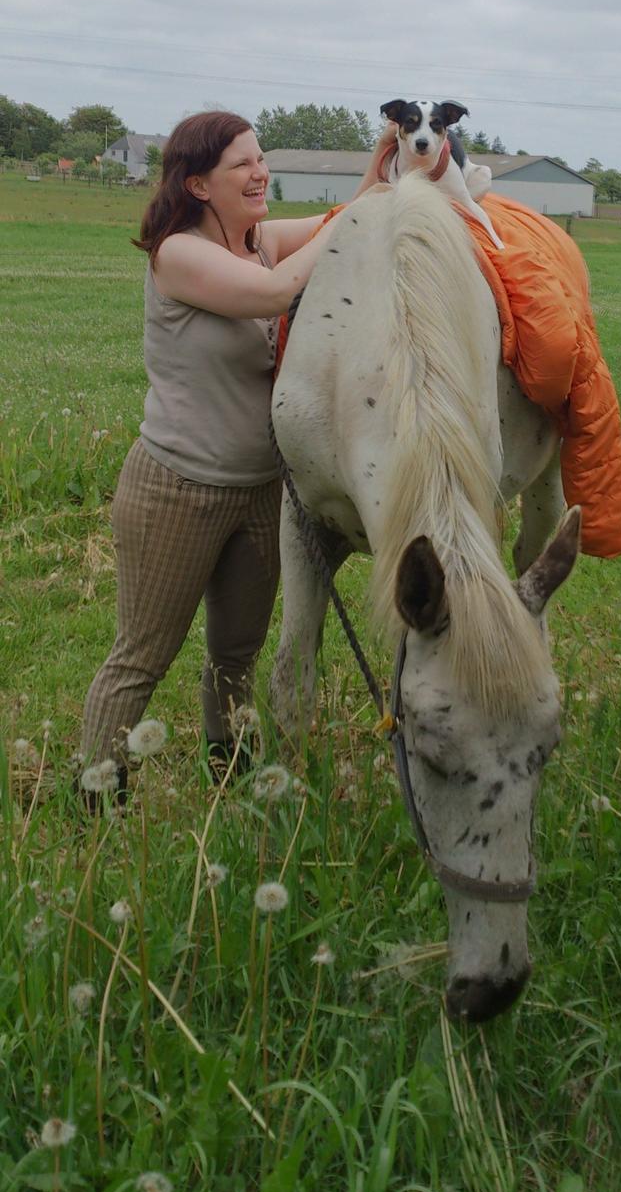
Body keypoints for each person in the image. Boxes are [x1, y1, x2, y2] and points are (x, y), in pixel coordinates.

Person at [79, 109, 395, 795]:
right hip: (176, 488)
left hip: (260, 491)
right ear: (197, 184)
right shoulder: (178, 254)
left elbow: (336, 222)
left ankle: (230, 770)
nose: (260, 173)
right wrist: (346, 222)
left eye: (260, 158)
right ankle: (95, 795)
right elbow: (280, 292)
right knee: (142, 656)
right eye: (242, 165)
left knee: (236, 653)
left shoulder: (256, 242)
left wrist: (384, 166)